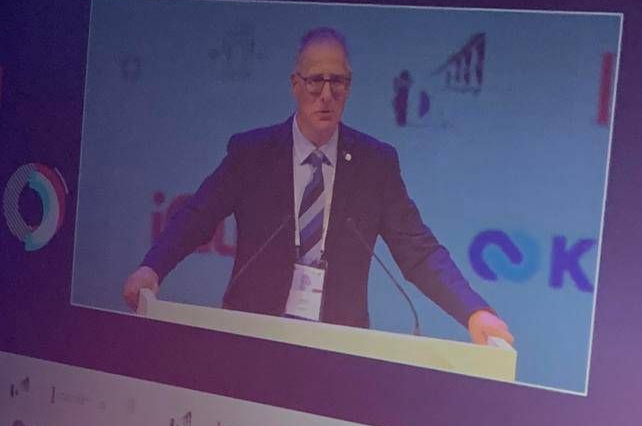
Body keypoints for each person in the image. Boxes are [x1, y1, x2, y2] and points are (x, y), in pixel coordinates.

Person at [122, 27, 514, 345]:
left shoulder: (375, 164)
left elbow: (418, 251)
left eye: (337, 81)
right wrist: (152, 267)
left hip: (337, 346)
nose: (326, 94)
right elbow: (198, 216)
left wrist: (473, 311)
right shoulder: (252, 153)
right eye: (315, 81)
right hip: (254, 334)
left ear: (349, 86)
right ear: (295, 84)